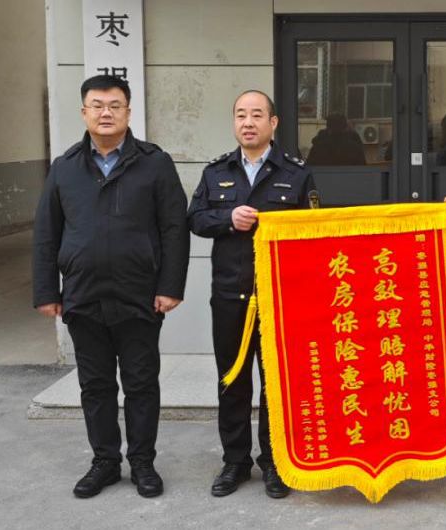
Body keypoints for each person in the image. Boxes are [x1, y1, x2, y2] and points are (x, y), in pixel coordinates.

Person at [32, 75, 190, 499]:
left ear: (128, 112)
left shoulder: (154, 163)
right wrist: (47, 291)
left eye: (115, 105)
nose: (106, 113)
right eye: (97, 105)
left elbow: (174, 228)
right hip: (83, 295)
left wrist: (170, 285)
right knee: (95, 385)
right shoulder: (64, 167)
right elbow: (47, 232)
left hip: (140, 295)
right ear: (84, 112)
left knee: (141, 383)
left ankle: (142, 462)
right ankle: (104, 461)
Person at [188, 90, 316, 499]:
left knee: (277, 384)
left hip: (280, 297)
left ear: (272, 123)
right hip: (231, 296)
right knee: (232, 381)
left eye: (257, 115)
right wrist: (228, 218)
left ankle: (275, 462)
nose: (248, 122)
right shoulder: (216, 172)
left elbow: (315, 230)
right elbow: (195, 219)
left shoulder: (297, 173)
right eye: (241, 115)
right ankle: (235, 462)